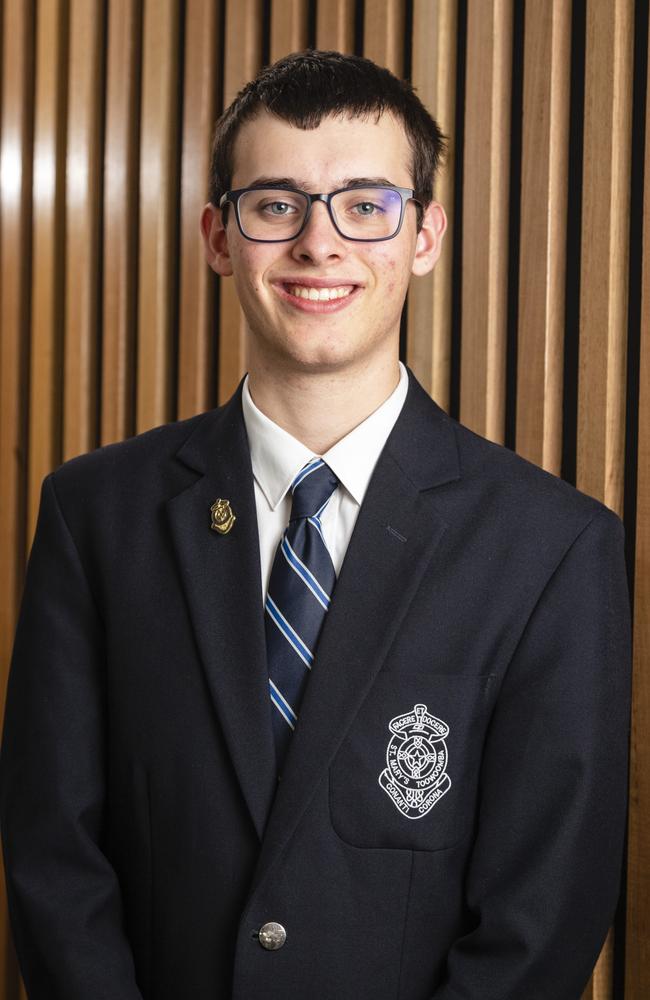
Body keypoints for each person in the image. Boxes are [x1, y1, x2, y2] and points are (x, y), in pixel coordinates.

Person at [0, 50, 631, 1000]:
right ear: (219, 236)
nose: (320, 244)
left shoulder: (553, 548)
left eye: (366, 204)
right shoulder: (96, 516)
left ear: (424, 235)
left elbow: (542, 917)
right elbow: (53, 853)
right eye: (276, 204)